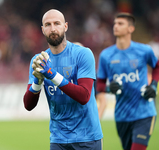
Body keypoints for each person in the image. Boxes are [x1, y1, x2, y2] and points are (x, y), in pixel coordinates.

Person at [23, 9, 103, 150]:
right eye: (48, 25)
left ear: (65, 26)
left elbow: (84, 96)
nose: (53, 29)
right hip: (58, 139)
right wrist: (37, 80)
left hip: (87, 138)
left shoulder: (83, 54)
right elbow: (28, 105)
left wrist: (51, 74)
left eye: (57, 23)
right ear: (42, 30)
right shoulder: (38, 61)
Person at [96, 13, 159, 150]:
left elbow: (158, 67)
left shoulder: (144, 50)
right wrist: (109, 88)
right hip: (122, 115)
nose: (116, 26)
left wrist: (154, 86)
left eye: (120, 23)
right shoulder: (106, 55)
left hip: (144, 113)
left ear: (130, 29)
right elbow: (100, 85)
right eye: (115, 23)